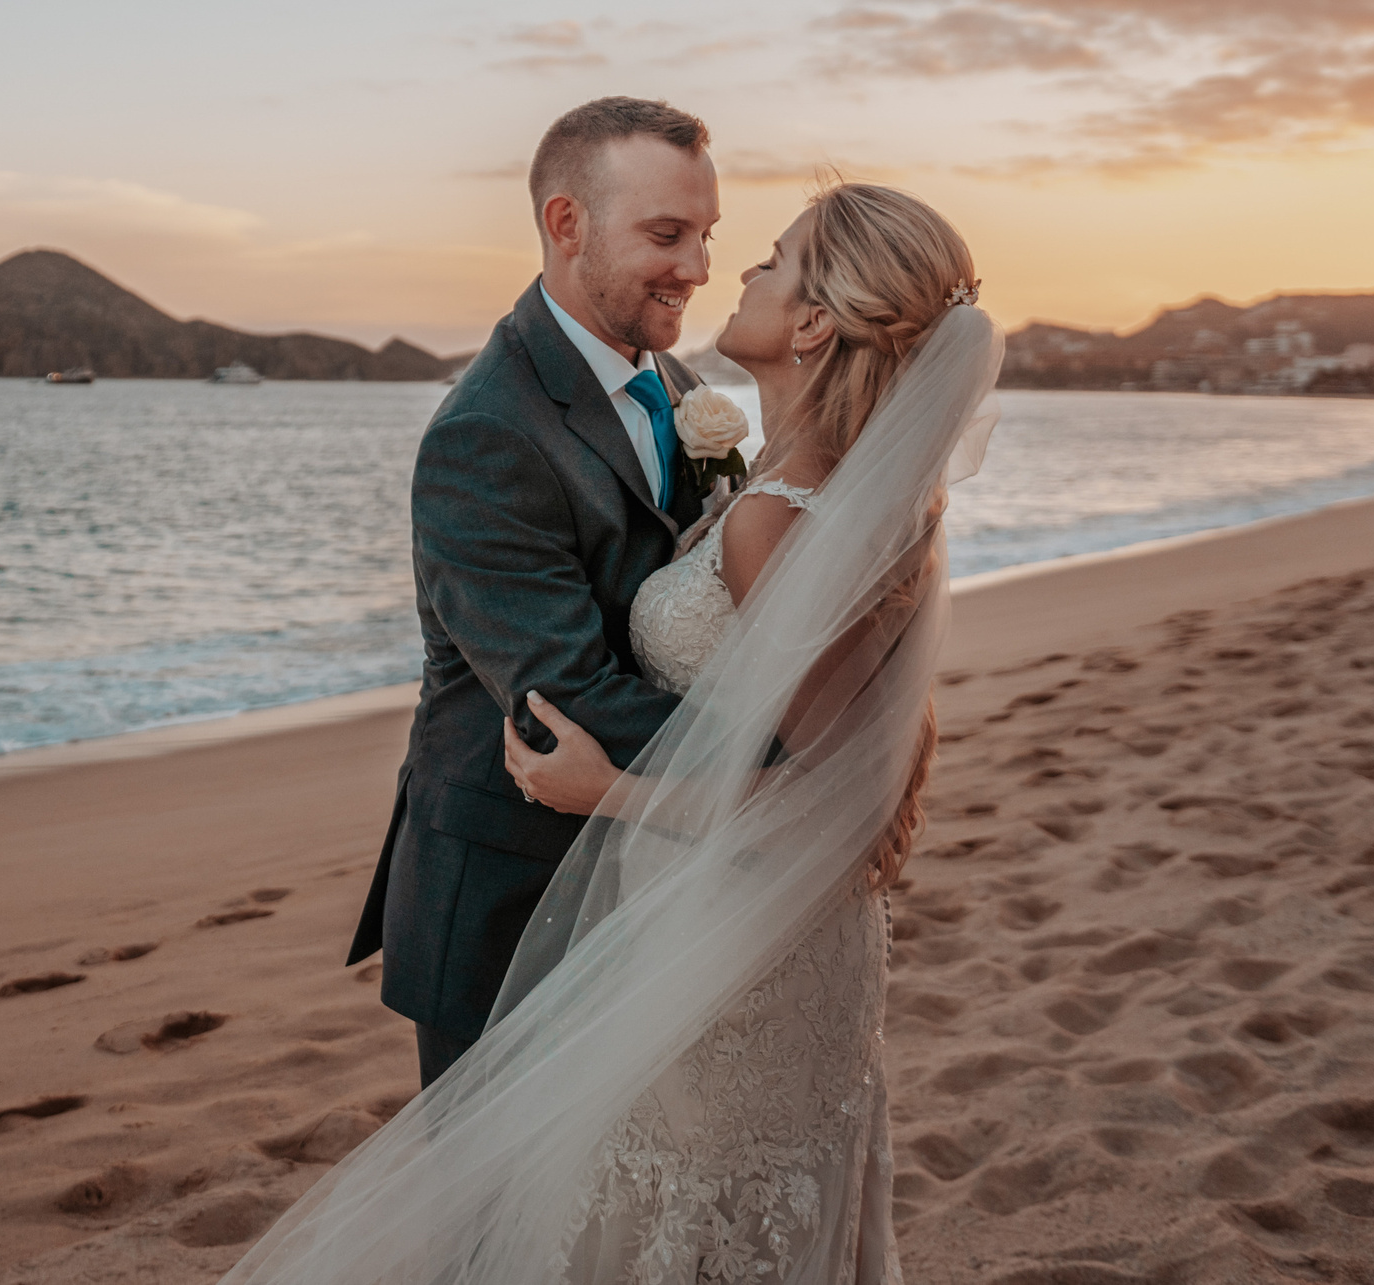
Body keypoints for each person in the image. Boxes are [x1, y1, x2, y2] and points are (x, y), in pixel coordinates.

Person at [227, 179, 1002, 1285]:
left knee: (673, 1215)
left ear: (819, 323)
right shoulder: (799, 480)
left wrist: (612, 792)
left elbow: (808, 787)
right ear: (566, 220)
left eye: (767, 258)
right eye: (673, 233)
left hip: (734, 925)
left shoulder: (784, 511)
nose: (725, 268)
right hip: (712, 916)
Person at [348, 95, 725, 1088]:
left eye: (705, 234)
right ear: (566, 224)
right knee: (499, 1235)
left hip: (642, 865)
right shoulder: (488, 432)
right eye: (666, 233)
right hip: (511, 897)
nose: (697, 266)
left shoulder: (673, 384)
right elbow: (566, 694)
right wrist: (796, 762)